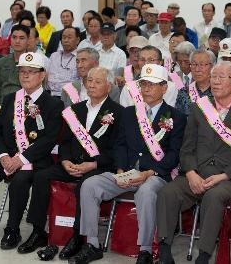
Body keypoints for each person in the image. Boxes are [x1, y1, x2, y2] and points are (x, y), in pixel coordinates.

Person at [69, 63, 186, 264]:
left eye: (152, 84)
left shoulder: (177, 117)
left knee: (146, 191)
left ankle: (146, 250)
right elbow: (120, 144)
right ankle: (92, 244)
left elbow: (175, 154)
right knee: (90, 185)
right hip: (127, 172)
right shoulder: (129, 113)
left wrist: (149, 173)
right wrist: (122, 170)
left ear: (164, 88)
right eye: (144, 84)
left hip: (155, 175)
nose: (147, 88)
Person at [0, 52, 64, 252]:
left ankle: (12, 229)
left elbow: (49, 140)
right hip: (5, 157)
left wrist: (20, 159)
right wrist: (3, 156)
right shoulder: (9, 99)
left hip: (34, 160)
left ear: (43, 75)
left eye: (31, 72)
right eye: (22, 71)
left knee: (19, 181)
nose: (25, 76)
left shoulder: (53, 104)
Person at [157, 61, 231, 264]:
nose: (215, 81)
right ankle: (164, 249)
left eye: (221, 77)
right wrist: (191, 173)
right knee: (167, 192)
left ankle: (203, 255)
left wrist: (223, 176)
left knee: (213, 196)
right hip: (198, 173)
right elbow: (186, 148)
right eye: (213, 77)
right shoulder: (198, 109)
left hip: (230, 177)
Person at [22, 67, 123, 257]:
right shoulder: (75, 110)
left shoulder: (118, 113)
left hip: (97, 167)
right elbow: (66, 141)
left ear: (109, 86)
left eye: (97, 81)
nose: (91, 85)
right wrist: (65, 161)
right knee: (41, 176)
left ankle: (78, 236)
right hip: (72, 164)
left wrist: (93, 164)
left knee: (84, 186)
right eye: (89, 80)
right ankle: (38, 231)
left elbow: (117, 149)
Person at [0, 24, 30, 106]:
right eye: (14, 37)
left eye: (21, 38)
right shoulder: (1, 62)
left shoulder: (33, 63)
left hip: (24, 105)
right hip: (2, 104)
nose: (17, 41)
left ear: (28, 40)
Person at [175, 49, 216, 115]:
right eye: (194, 64)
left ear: (212, 67)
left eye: (202, 65)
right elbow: (178, 118)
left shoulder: (219, 91)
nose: (197, 69)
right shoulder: (184, 92)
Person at [47, 27, 80, 97]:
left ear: (77, 40)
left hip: (69, 96)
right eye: (64, 37)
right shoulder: (54, 56)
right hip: (50, 94)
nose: (66, 40)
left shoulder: (80, 58)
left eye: (69, 37)